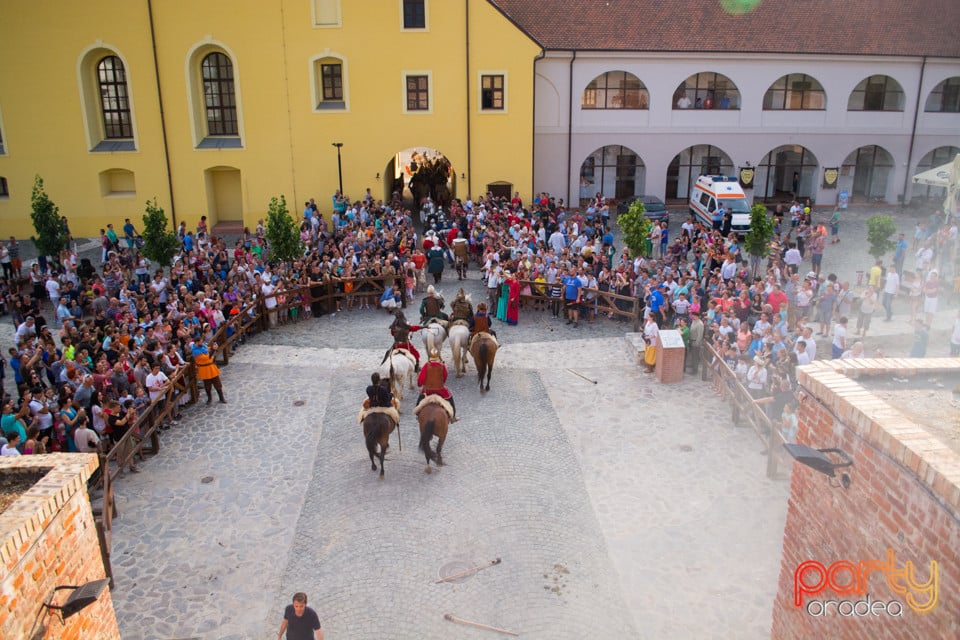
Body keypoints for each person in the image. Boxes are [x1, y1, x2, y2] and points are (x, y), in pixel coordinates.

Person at [417, 349, 457, 421]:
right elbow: (445, 376)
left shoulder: (426, 365)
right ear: (438, 358)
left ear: (430, 358)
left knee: (419, 401)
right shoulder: (442, 366)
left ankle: (417, 414)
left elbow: (421, 378)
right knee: (450, 398)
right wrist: (441, 384)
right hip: (441, 390)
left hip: (428, 390)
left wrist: (420, 385)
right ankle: (453, 416)